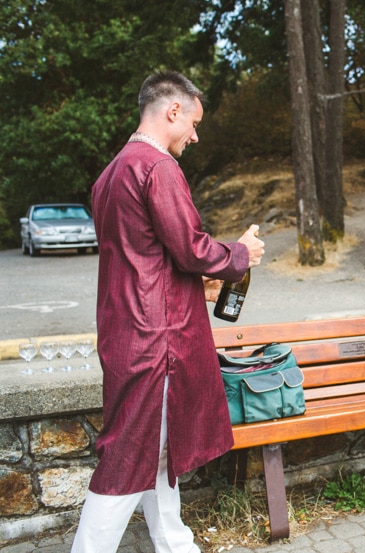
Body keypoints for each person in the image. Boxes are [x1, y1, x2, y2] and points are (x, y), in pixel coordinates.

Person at [71, 71, 265, 553]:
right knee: (126, 458)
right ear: (172, 110)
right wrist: (239, 255)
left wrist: (188, 287)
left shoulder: (110, 173)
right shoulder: (156, 167)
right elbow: (191, 248)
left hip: (126, 331)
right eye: (193, 123)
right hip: (157, 342)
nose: (195, 136)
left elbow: (143, 258)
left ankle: (177, 545)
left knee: (157, 450)